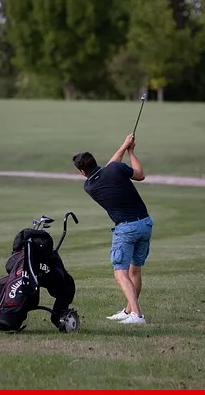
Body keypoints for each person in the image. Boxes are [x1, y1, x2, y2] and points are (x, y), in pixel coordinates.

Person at [72, 134, 154, 325]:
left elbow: (110, 167)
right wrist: (130, 151)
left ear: (82, 171)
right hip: (145, 224)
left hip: (126, 229)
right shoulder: (116, 169)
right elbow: (139, 174)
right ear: (95, 161)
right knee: (135, 271)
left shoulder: (90, 186)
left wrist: (125, 147)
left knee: (120, 273)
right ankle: (129, 310)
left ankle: (137, 315)